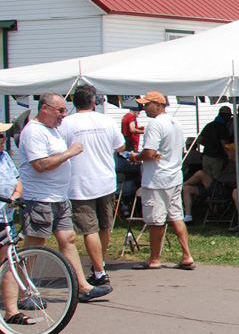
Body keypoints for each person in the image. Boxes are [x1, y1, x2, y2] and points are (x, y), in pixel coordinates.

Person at [17, 92, 112, 301]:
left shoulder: (52, 130)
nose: (63, 115)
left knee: (68, 239)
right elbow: (40, 165)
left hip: (59, 196)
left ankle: (82, 287)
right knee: (34, 245)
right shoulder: (33, 132)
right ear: (44, 109)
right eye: (59, 110)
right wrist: (69, 153)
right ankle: (23, 294)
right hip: (39, 198)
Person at [59, 83, 126, 287]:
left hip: (80, 182)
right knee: (104, 226)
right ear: (93, 101)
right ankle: (100, 265)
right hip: (105, 180)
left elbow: (59, 149)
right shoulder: (106, 120)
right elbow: (120, 146)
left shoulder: (66, 123)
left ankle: (99, 271)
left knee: (90, 229)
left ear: (73, 101)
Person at [132, 91, 195, 270]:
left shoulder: (155, 124)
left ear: (158, 105)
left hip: (157, 179)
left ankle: (154, 258)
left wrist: (136, 157)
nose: (143, 108)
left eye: (147, 104)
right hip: (174, 175)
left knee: (155, 220)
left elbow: (150, 152)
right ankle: (186, 254)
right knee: (176, 216)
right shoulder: (175, 122)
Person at [0, 122, 27, 324]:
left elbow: (18, 179)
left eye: (4, 135)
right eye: (0, 136)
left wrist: (16, 195)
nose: (3, 139)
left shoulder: (5, 156)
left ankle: (11, 311)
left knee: (8, 262)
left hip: (5, 219)